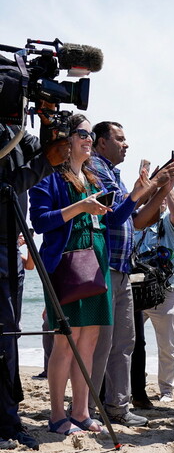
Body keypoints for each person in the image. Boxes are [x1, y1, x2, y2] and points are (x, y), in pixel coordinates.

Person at [29, 114, 149, 435]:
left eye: (88, 135)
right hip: (66, 264)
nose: (88, 139)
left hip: (97, 264)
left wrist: (136, 194)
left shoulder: (95, 181)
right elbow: (40, 222)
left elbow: (113, 219)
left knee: (90, 341)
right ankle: (57, 415)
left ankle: (81, 412)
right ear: (65, 140)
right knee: (65, 342)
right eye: (81, 133)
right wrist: (80, 207)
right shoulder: (49, 179)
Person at [89, 121, 174, 427]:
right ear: (101, 142)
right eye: (119, 139)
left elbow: (136, 222)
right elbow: (113, 218)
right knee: (103, 342)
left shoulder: (115, 174)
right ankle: (91, 408)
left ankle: (118, 407)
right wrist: (150, 185)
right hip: (105, 267)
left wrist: (162, 188)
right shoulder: (95, 168)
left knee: (125, 341)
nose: (126, 144)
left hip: (123, 268)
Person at [0, 100, 67, 450]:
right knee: (3, 337)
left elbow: (49, 156)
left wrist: (49, 123)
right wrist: (44, 162)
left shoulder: (16, 134)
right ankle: (7, 422)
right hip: (4, 244)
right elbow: (9, 185)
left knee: (9, 339)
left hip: (11, 245)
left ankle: (9, 421)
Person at [130, 188, 174, 408]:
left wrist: (168, 187)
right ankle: (135, 384)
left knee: (166, 345)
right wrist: (146, 189)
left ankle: (166, 389)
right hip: (138, 290)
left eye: (161, 200)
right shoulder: (136, 223)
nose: (158, 202)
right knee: (130, 342)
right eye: (154, 199)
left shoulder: (168, 224)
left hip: (167, 291)